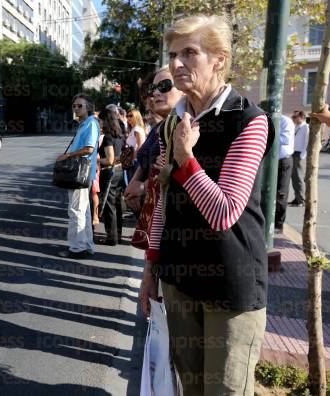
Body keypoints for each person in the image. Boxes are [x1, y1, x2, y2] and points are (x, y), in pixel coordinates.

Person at [140, 15, 273, 395]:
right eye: (172, 54)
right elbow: (164, 201)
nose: (177, 64)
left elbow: (224, 211)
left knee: (226, 390)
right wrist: (151, 269)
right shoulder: (172, 124)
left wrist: (186, 158)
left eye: (189, 53)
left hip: (231, 283)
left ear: (219, 60)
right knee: (191, 386)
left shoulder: (249, 120)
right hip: (180, 277)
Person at [124, 68, 183, 213]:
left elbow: (172, 169)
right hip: (148, 207)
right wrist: (132, 186)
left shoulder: (186, 127)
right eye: (152, 89)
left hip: (166, 210)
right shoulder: (160, 126)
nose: (154, 94)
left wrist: (143, 187)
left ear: (184, 90)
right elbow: (144, 162)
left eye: (164, 86)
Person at [56, 93, 100, 259]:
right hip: (82, 173)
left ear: (88, 107)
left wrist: (67, 156)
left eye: (79, 105)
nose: (76, 108)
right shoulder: (85, 124)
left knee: (76, 211)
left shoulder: (90, 123)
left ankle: (77, 248)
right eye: (74, 106)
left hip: (80, 173)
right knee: (84, 210)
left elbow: (89, 148)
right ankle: (87, 245)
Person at [96, 108, 124, 245]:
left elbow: (110, 159)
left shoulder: (108, 137)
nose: (99, 122)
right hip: (119, 171)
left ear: (106, 120)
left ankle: (111, 238)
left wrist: (96, 160)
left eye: (100, 120)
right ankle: (118, 236)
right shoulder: (119, 134)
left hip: (109, 172)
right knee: (117, 205)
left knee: (109, 205)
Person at [275, 115, 295, 230]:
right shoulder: (269, 119)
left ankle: (279, 223)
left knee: (281, 193)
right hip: (272, 160)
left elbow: (285, 139)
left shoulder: (285, 121)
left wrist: (268, 135)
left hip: (283, 160)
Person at [289, 110, 309, 206]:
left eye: (295, 117)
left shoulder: (306, 127)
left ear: (302, 117)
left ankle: (301, 200)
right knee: (294, 178)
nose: (294, 119)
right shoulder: (297, 126)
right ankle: (297, 198)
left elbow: (307, 142)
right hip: (293, 153)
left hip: (299, 154)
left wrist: (302, 155)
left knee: (298, 177)